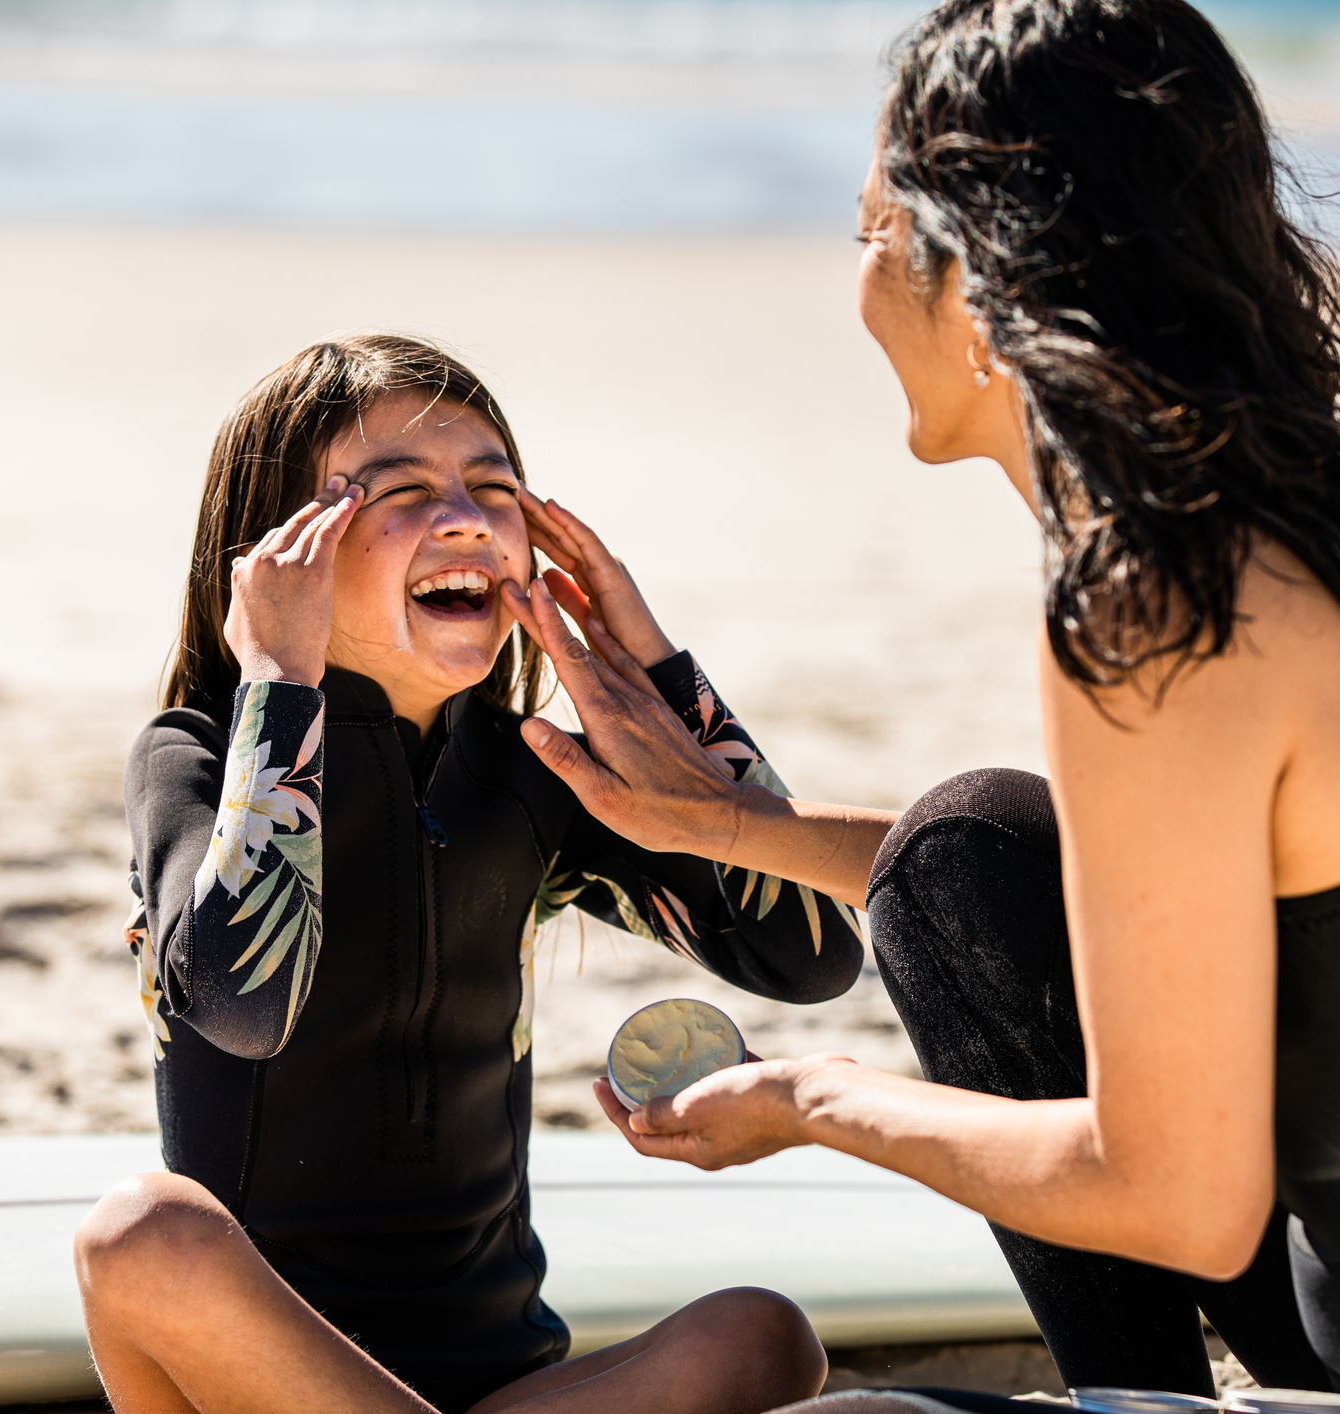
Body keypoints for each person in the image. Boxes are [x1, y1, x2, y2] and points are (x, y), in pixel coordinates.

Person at [494, 2, 1340, 1410]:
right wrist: (727, 820)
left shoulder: (1158, 618)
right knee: (970, 849)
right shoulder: (1294, 525)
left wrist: (809, 1097)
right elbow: (1154, 895)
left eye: (875, 233)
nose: (863, 285)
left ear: (980, 276)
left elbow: (1177, 1197)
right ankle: (1133, 1395)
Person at [72, 334, 866, 1414]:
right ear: (276, 555)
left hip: (505, 1390)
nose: (465, 518)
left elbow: (811, 951)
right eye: (400, 490)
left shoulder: (533, 775)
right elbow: (243, 1004)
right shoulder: (198, 754)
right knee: (143, 1236)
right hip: (263, 1385)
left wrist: (667, 679)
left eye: (495, 487)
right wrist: (280, 680)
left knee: (761, 1332)